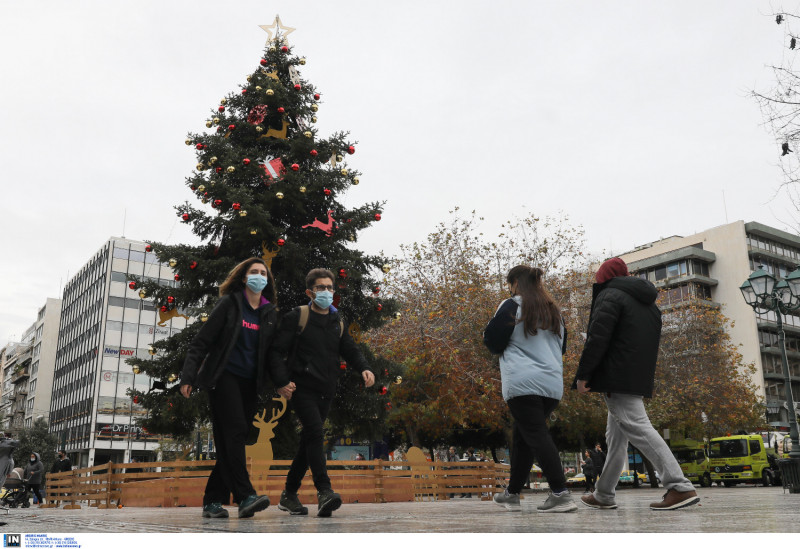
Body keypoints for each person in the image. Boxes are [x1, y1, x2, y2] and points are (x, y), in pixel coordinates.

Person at [574, 257, 699, 511]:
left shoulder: (609, 296)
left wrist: (583, 374)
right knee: (616, 437)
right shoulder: (649, 304)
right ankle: (604, 493)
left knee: (639, 428)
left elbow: (598, 338)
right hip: (636, 375)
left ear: (603, 279)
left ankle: (679, 486)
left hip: (616, 375)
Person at [269, 268, 375, 517]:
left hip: (327, 389)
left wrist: (364, 367)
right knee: (315, 433)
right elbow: (276, 351)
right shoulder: (298, 316)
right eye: (320, 288)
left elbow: (350, 349)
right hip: (301, 388)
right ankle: (325, 491)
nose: (326, 292)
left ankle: (289, 494)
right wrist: (281, 381)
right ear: (310, 292)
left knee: (309, 440)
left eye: (329, 288)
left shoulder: (337, 321)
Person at [180, 257, 279, 519]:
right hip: (224, 378)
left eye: (263, 273)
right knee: (234, 433)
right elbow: (201, 342)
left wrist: (281, 381)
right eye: (254, 272)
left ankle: (213, 501)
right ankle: (245, 495)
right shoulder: (230, 304)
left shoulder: (269, 312)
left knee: (231, 441)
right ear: (244, 278)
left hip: (250, 383)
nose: (259, 276)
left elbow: (272, 354)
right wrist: (188, 376)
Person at [484, 265, 577, 513]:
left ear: (515, 283)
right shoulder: (555, 311)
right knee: (523, 436)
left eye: (509, 284)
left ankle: (560, 493)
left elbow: (492, 341)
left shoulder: (512, 305)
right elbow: (562, 348)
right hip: (551, 385)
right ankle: (512, 493)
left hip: (523, 383)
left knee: (535, 434)